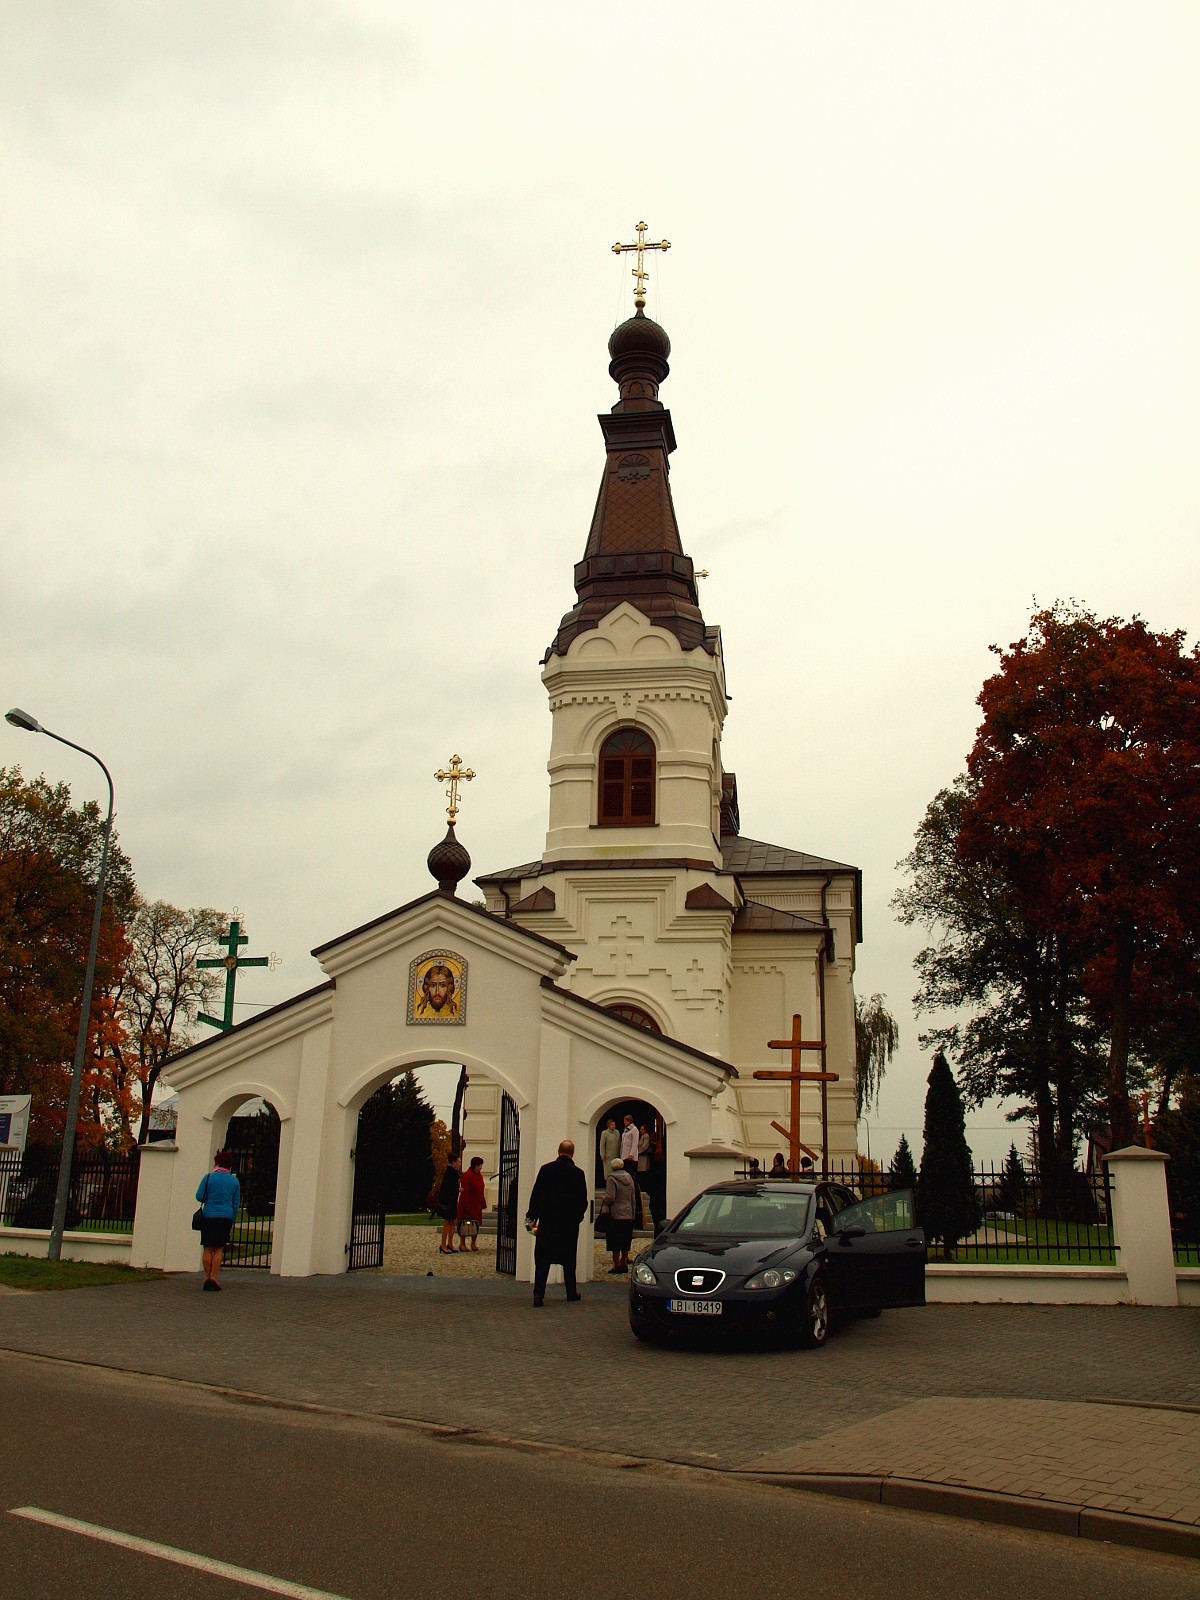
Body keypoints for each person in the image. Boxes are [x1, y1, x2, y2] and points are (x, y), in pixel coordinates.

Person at [525, 1138, 588, 1306]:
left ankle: (538, 1294)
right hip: (568, 1225)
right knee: (568, 1260)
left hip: (547, 1223)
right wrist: (577, 1217)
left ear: (558, 1152)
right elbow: (583, 1201)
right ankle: (571, 1292)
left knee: (542, 1259)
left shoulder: (546, 1170)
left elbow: (536, 1195)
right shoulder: (578, 1173)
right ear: (572, 1154)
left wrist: (532, 1216)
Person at [196, 1149, 240, 1292]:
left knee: (208, 1247)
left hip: (209, 1216)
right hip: (225, 1217)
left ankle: (206, 1278)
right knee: (219, 1248)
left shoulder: (208, 1178)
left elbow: (199, 1196)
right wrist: (232, 1219)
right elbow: (235, 1203)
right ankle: (215, 1278)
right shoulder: (234, 1181)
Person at [602, 1158, 637, 1274]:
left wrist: (603, 1199)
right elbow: (633, 1197)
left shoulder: (612, 1179)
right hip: (628, 1212)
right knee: (626, 1239)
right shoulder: (629, 1178)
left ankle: (617, 1264)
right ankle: (624, 1261)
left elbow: (611, 1198)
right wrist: (633, 1213)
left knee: (615, 1240)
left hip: (616, 1213)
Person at [456, 1154, 486, 1251]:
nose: (481, 1167)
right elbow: (466, 1191)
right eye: (480, 1165)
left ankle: (473, 1243)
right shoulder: (467, 1175)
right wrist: (466, 1205)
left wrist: (483, 1202)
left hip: (477, 1203)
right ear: (475, 1166)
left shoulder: (480, 1176)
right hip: (468, 1203)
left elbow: (481, 1189)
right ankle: (462, 1243)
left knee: (476, 1224)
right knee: (465, 1224)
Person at [437, 1153, 462, 1254]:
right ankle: (443, 1244)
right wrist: (457, 1189)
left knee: (453, 1221)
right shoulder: (450, 1172)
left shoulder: (454, 1172)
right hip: (448, 1201)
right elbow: (448, 1187)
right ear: (454, 1162)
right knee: (447, 1222)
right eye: (459, 1162)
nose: (460, 1164)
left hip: (452, 1200)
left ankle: (450, 1243)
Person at [620, 1113, 641, 1221]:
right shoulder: (625, 1130)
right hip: (624, 1155)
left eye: (625, 1121)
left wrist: (631, 1155)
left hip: (631, 1157)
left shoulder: (634, 1130)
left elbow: (634, 1143)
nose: (624, 1123)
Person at [598, 1118, 621, 1183]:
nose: (613, 1126)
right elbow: (602, 1144)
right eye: (612, 1125)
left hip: (616, 1155)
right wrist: (602, 1154)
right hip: (608, 1156)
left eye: (614, 1125)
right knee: (608, 1171)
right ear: (608, 1126)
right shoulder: (605, 1133)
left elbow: (619, 1143)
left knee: (616, 1171)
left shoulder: (617, 1132)